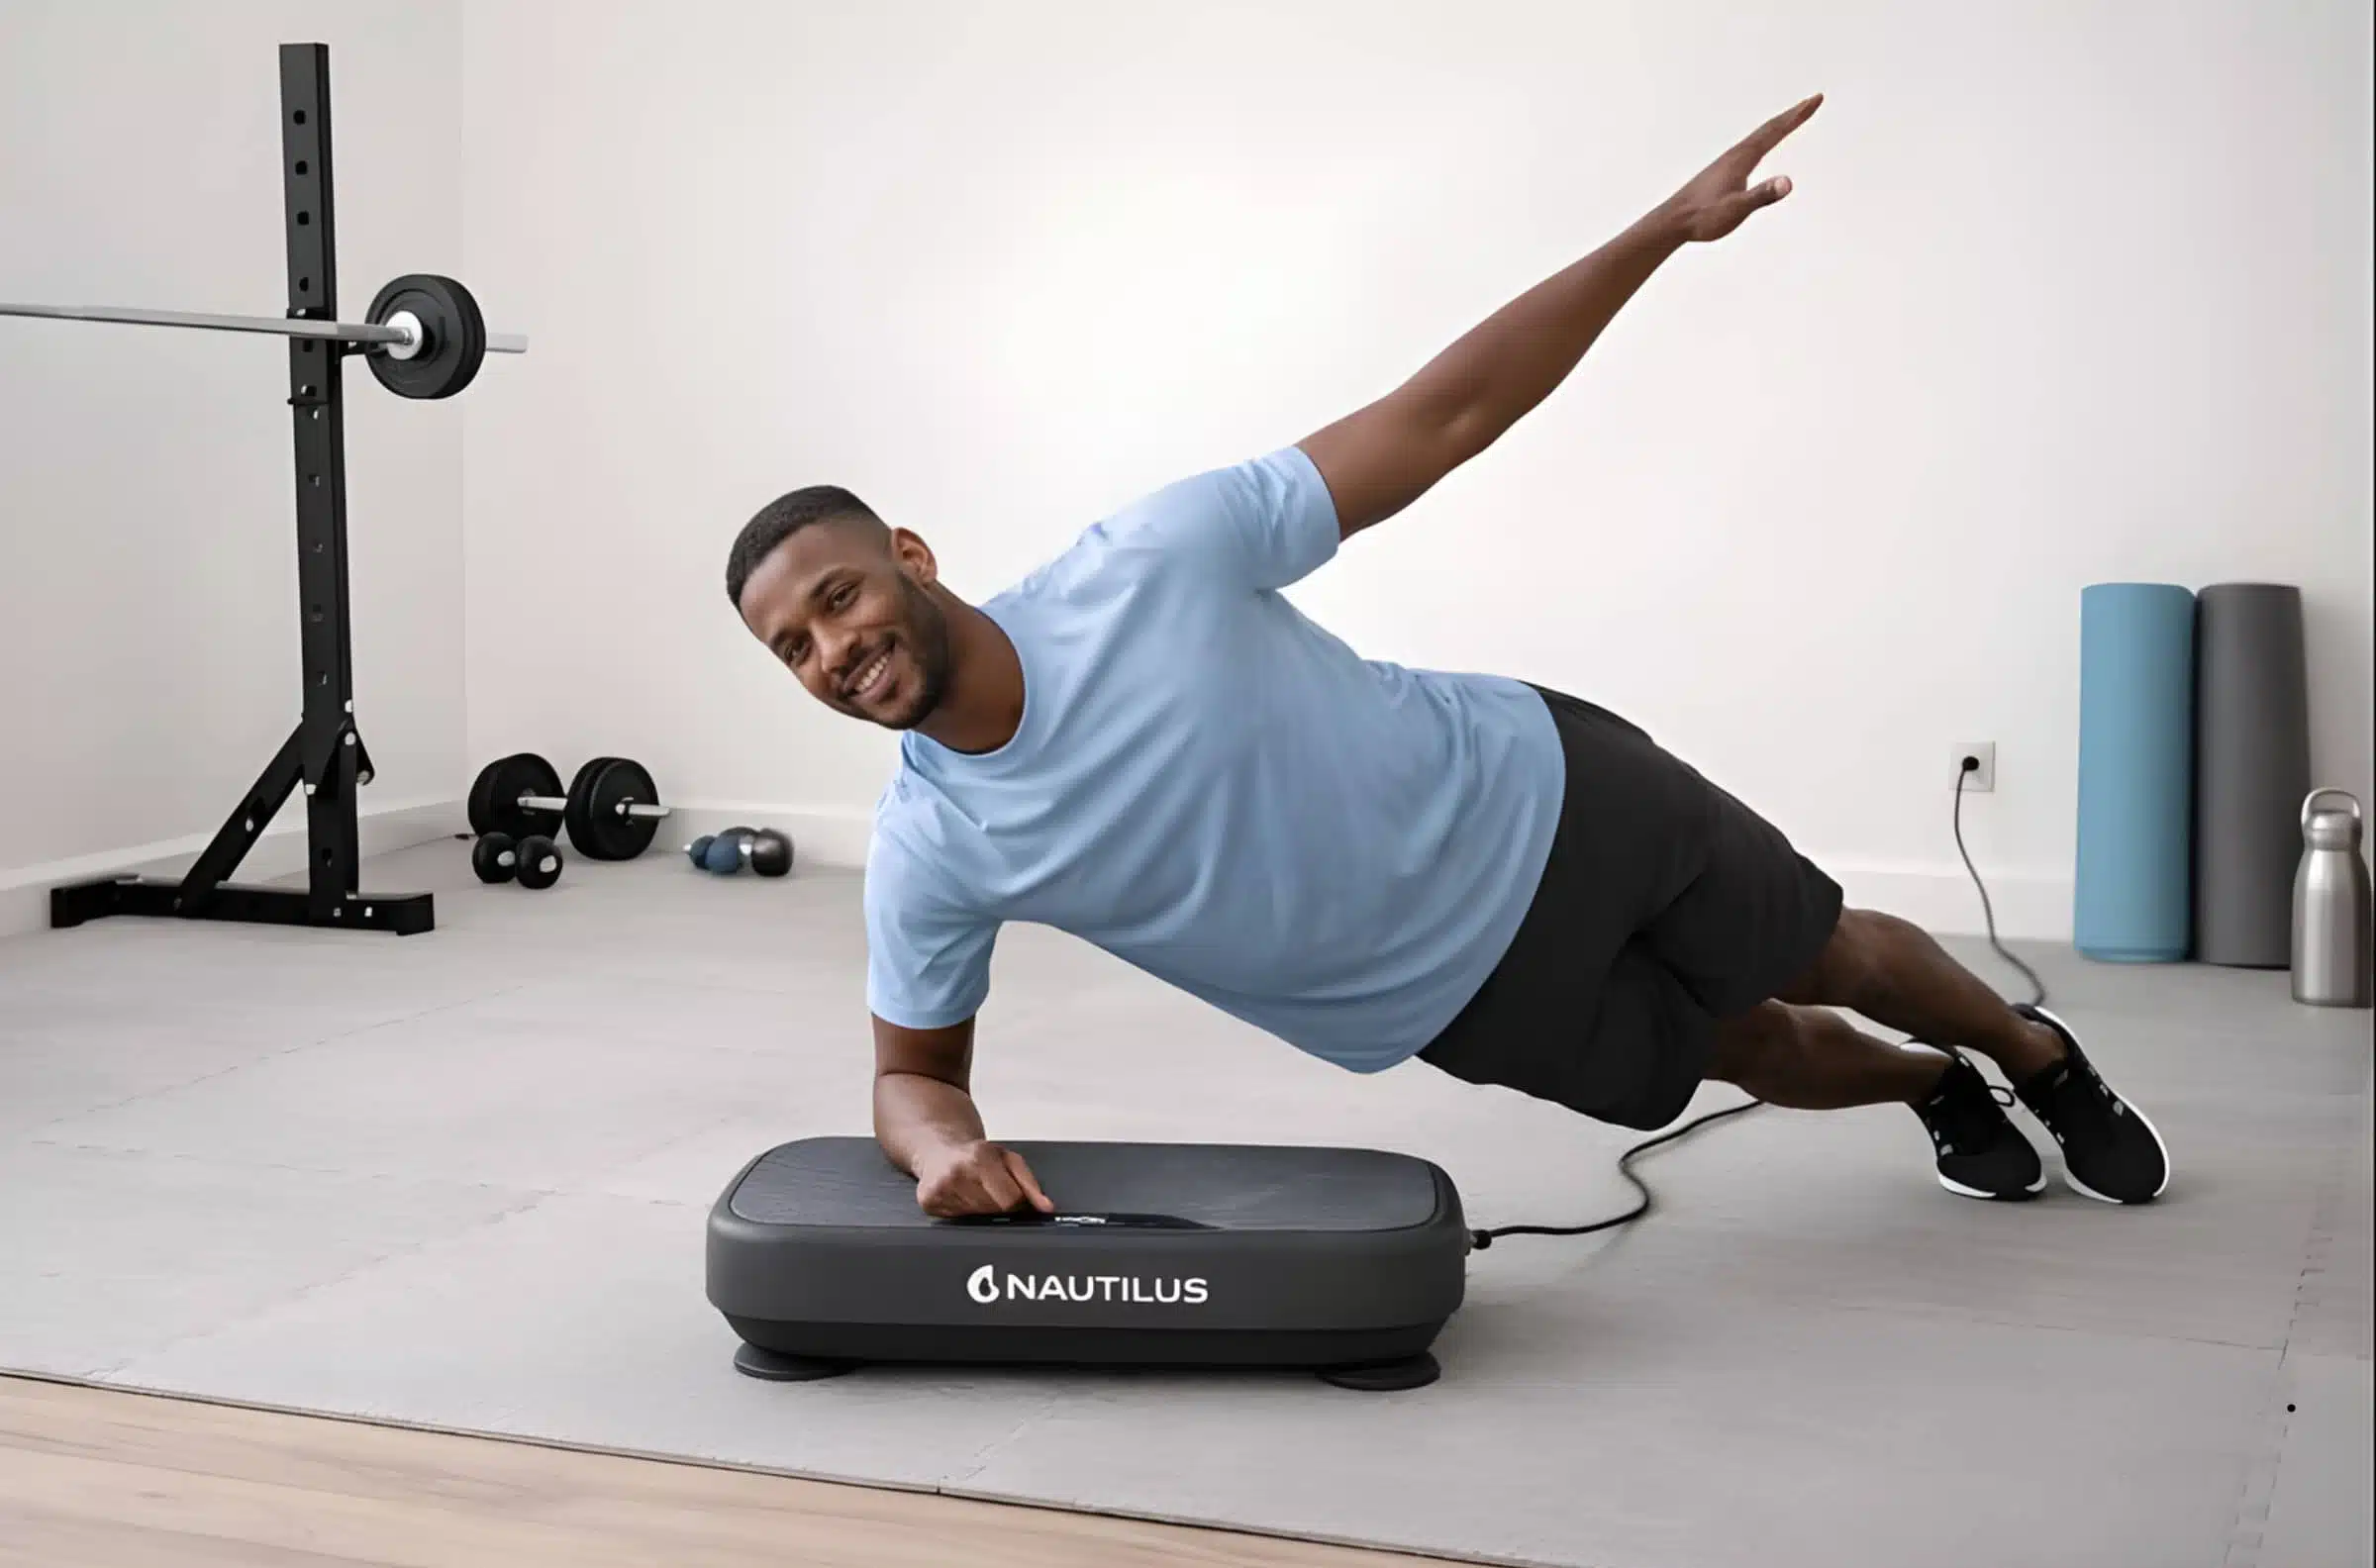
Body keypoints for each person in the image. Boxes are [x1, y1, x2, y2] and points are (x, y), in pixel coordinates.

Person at [725, 94, 2170, 1222]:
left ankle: (2040, 1059)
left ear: (910, 556)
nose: (833, 650)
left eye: (840, 599)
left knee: (1824, 944)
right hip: (1451, 996)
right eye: (794, 647)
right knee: (1750, 1048)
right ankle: (1933, 1087)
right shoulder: (933, 847)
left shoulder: (1149, 560)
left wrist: (1659, 232)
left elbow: (1442, 419)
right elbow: (911, 1074)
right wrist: (942, 1149)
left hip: (1544, 797)